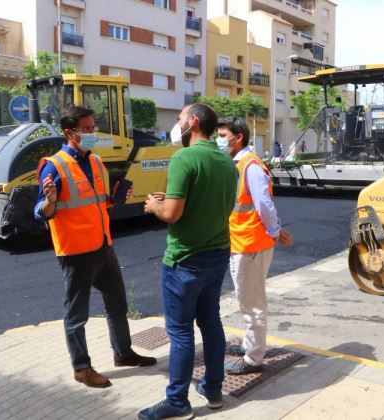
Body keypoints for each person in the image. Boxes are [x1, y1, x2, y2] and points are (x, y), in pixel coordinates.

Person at [35, 105, 156, 389]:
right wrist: (50, 201)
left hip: (103, 246)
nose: (92, 133)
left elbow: (98, 204)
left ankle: (123, 353)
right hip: (76, 252)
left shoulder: (96, 162)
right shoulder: (54, 165)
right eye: (86, 129)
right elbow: (41, 212)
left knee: (117, 304)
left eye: (93, 127)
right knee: (77, 315)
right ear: (70, 132)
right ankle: (81, 368)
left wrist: (115, 198)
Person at [140, 103, 238, 419]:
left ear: (193, 122)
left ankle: (177, 402)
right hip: (218, 253)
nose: (176, 124)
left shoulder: (184, 157)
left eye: (180, 119)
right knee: (211, 322)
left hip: (185, 259)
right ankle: (213, 388)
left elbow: (171, 213)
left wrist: (153, 206)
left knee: (181, 332)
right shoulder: (227, 160)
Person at [216, 116, 294, 375]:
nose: (219, 140)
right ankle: (251, 344)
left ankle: (253, 358)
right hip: (243, 242)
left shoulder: (250, 166)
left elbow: (263, 205)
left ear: (238, 138)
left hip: (251, 245)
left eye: (223, 135)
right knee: (247, 299)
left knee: (252, 302)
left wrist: (275, 231)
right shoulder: (237, 164)